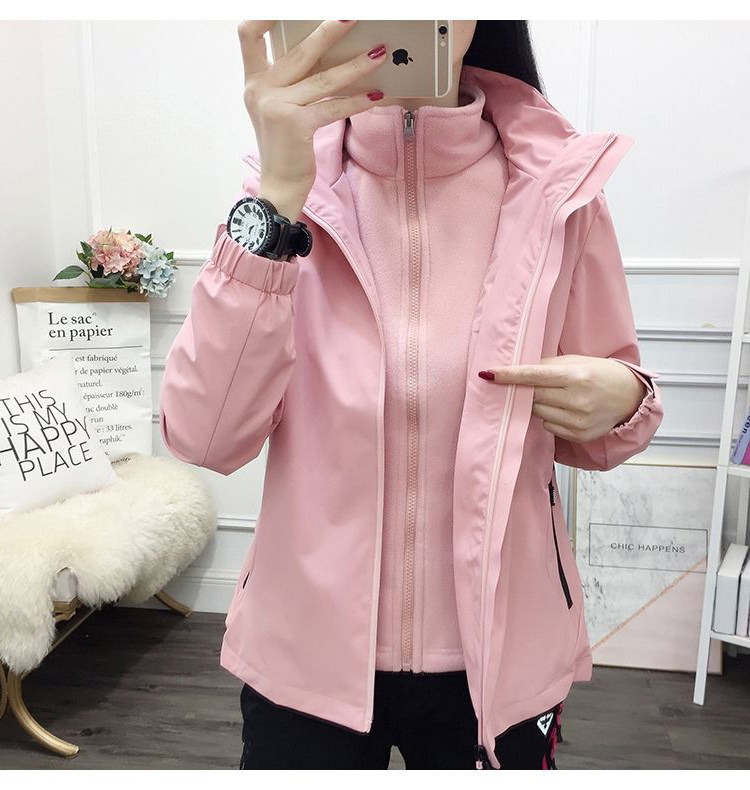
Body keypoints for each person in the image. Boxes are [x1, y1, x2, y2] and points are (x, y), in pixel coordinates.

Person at [159, 20, 664, 769]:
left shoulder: (559, 191)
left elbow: (608, 422)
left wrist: (622, 398)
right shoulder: (287, 199)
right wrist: (279, 195)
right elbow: (204, 436)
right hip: (305, 654)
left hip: (497, 655)